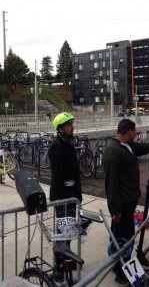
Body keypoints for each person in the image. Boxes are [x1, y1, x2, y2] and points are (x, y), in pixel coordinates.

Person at [103, 119, 149, 286]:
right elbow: (110, 185)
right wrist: (115, 210)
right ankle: (121, 273)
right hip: (121, 207)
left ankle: (120, 265)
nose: (136, 135)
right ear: (129, 132)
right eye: (135, 132)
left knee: (125, 238)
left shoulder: (126, 146)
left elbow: (143, 147)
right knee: (123, 240)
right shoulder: (112, 153)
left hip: (128, 204)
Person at [48, 112, 82, 277]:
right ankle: (58, 267)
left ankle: (66, 259)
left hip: (71, 196)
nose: (72, 127)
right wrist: (59, 200)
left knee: (68, 231)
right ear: (60, 128)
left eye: (71, 124)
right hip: (62, 198)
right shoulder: (57, 147)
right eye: (68, 125)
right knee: (61, 232)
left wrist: (78, 195)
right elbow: (57, 176)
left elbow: (74, 172)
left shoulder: (67, 143)